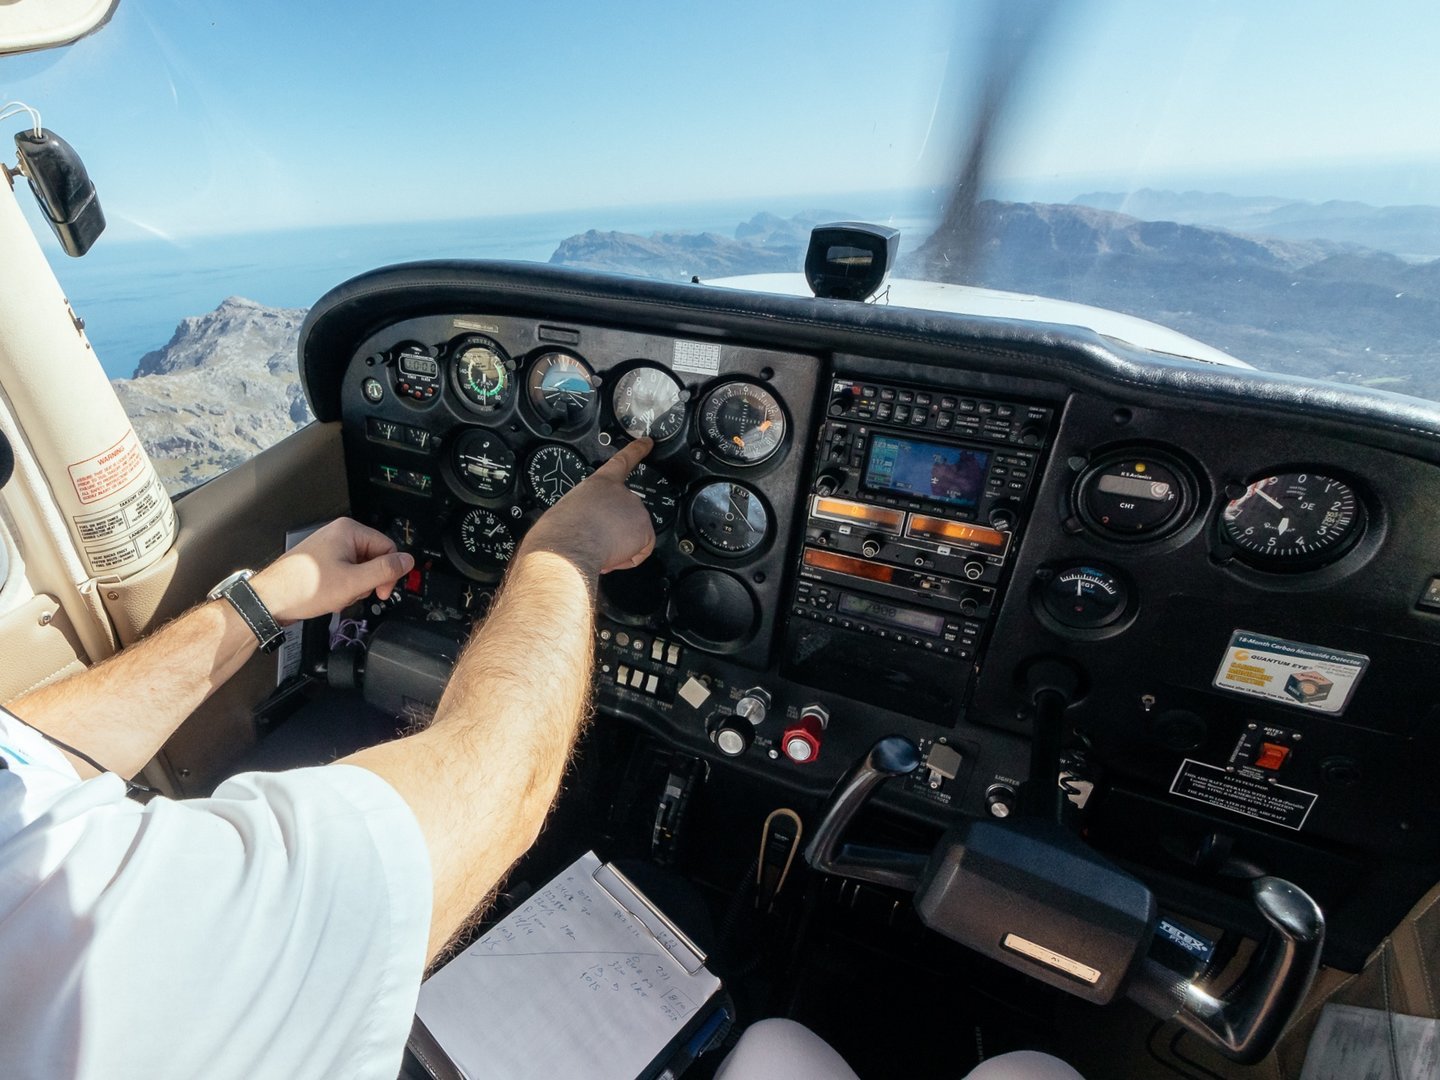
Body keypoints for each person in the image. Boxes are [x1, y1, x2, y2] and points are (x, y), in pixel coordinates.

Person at [0, 437, 657, 1080]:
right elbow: (497, 787)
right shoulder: (86, 951)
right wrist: (565, 547)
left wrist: (259, 605)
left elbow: (28, 756)